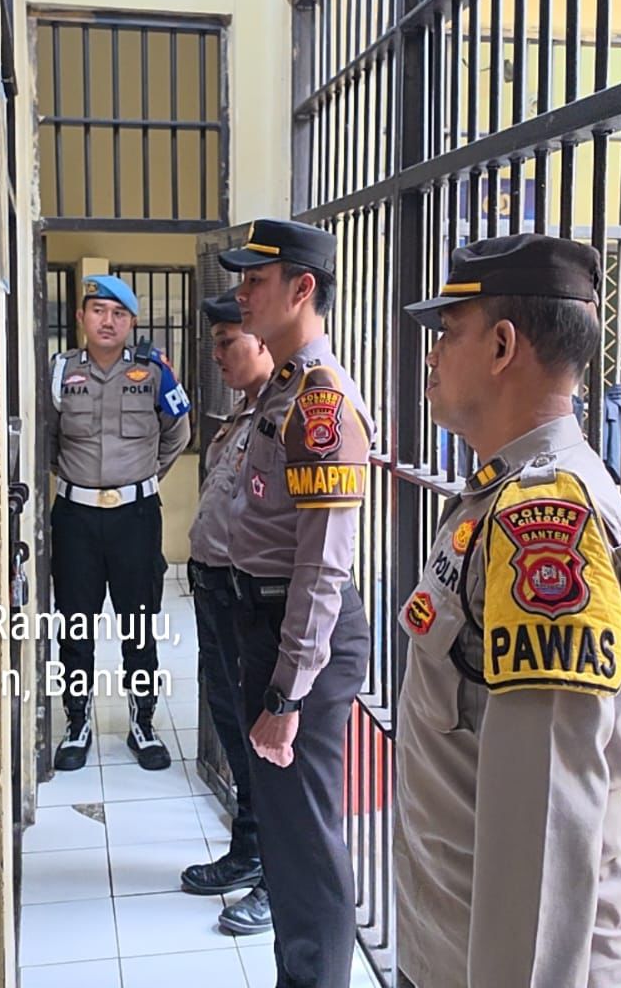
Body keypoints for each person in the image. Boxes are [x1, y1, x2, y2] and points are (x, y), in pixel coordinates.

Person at [391, 233, 621, 988]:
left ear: (503, 345)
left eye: (449, 333)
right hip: (456, 945)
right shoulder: (503, 493)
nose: (433, 355)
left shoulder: (546, 520)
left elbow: (545, 826)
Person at [221, 219, 373, 988]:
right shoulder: (281, 386)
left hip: (300, 638)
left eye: (255, 280)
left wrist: (287, 691)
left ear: (301, 288)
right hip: (271, 625)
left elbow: (321, 564)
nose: (241, 294)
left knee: (305, 841)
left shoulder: (319, 401)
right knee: (285, 838)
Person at [46, 273, 192, 772]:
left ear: (131, 322)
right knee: (75, 625)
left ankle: (142, 723)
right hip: (76, 519)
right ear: (81, 317)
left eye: (119, 314)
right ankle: (77, 723)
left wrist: (141, 479)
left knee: (139, 625)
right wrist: (79, 480)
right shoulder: (59, 372)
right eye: (98, 311)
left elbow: (178, 432)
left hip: (135, 517)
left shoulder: (154, 372)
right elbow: (48, 438)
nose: (108, 321)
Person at [180, 287, 275, 936]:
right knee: (232, 729)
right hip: (214, 589)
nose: (215, 355)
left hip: (248, 599)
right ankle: (248, 849)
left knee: (264, 745)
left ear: (261, 341)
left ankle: (276, 876)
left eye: (225, 342)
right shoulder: (245, 412)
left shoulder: (289, 413)